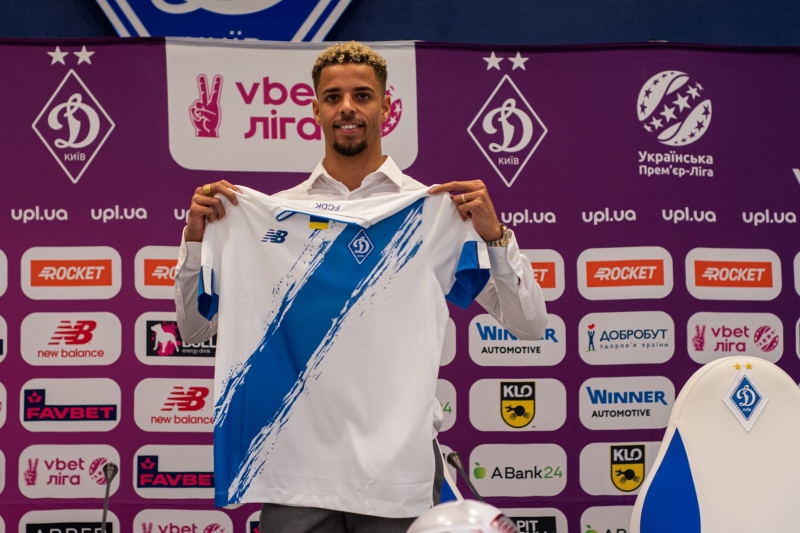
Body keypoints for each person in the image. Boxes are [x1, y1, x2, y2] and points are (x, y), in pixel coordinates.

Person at [174, 41, 547, 533]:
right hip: (295, 475)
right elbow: (193, 329)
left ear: (387, 107)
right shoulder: (268, 215)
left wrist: (496, 238)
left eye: (362, 95)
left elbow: (528, 324)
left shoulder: (432, 211)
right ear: (316, 110)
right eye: (333, 97)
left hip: (396, 477)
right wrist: (195, 243)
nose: (347, 107)